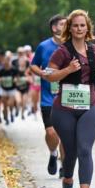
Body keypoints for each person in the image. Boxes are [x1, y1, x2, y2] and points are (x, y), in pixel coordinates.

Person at [43, 9, 95, 188]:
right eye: (75, 25)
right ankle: (67, 182)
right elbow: (49, 76)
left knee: (85, 149)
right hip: (64, 108)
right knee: (70, 151)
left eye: (82, 25)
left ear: (87, 28)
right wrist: (68, 70)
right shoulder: (62, 51)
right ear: (69, 28)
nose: (79, 29)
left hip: (90, 105)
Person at [30, 15, 66, 175]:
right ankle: (53, 153)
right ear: (54, 28)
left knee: (65, 136)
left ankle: (65, 167)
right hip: (48, 98)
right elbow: (33, 65)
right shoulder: (44, 46)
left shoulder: (72, 46)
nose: (66, 26)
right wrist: (43, 74)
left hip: (67, 97)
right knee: (51, 132)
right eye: (63, 24)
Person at [13, 54, 30, 120]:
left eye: (23, 61)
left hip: (25, 89)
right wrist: (16, 80)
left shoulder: (28, 70)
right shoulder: (16, 70)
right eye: (21, 61)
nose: (22, 62)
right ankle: (17, 109)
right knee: (19, 101)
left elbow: (31, 79)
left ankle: (22, 114)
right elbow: (13, 80)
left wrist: (27, 78)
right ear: (19, 62)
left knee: (24, 102)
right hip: (18, 88)